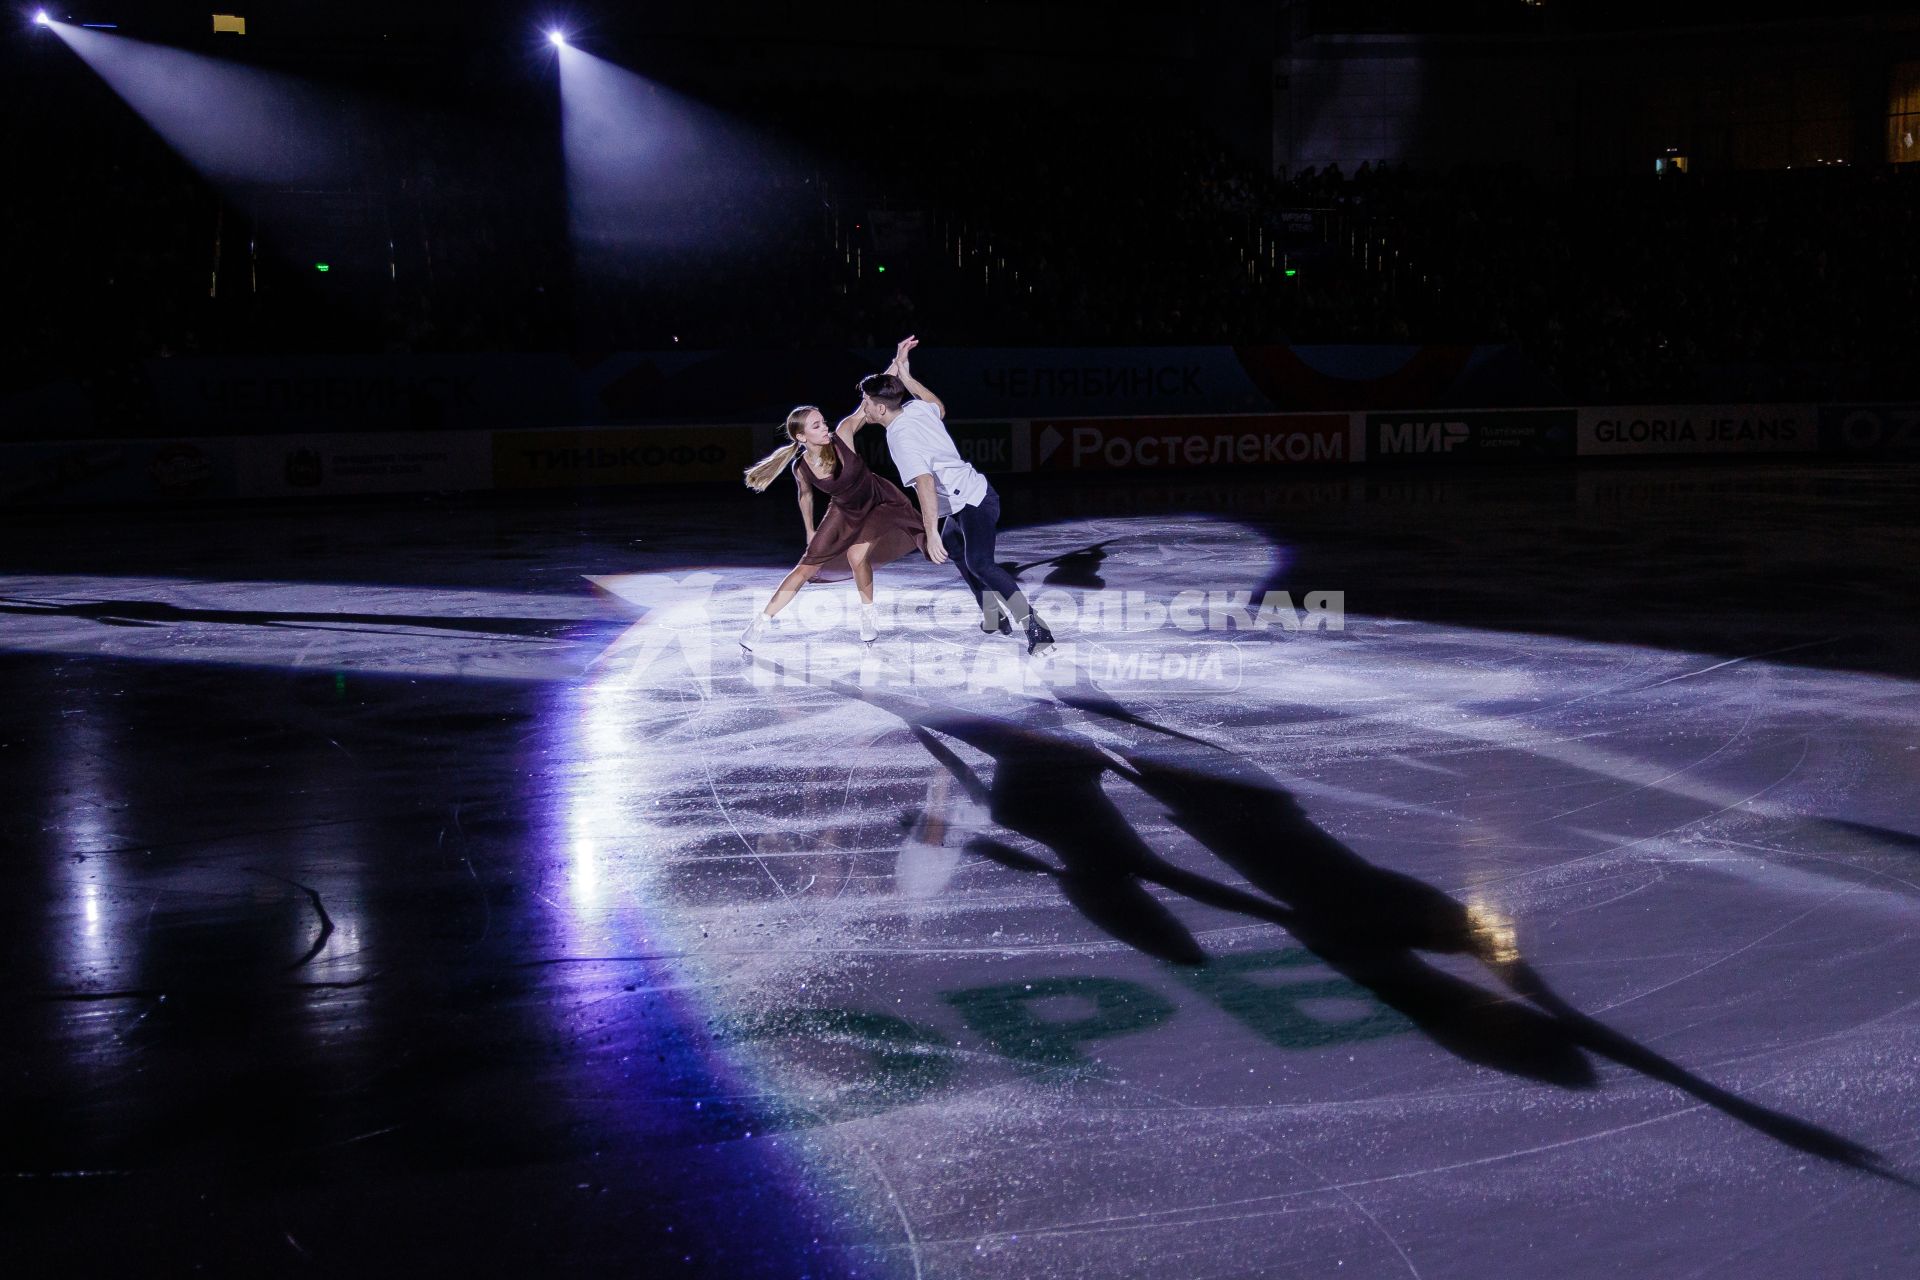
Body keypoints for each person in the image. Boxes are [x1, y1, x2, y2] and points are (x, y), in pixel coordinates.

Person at [859, 337, 1054, 654]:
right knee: (956, 545)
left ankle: (1035, 626)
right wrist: (906, 377)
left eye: (866, 402)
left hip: (974, 500)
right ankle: (993, 615)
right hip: (964, 498)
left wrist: (931, 532)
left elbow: (923, 483)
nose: (863, 407)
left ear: (880, 408)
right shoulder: (914, 409)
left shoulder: (900, 436)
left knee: (980, 563)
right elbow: (939, 406)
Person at [738, 381, 929, 651]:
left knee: (857, 556)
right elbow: (805, 496)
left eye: (823, 422)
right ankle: (760, 623)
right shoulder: (801, 467)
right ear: (801, 437)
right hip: (843, 511)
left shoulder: (844, 435)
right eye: (816, 426)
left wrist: (894, 368)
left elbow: (869, 402)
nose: (825, 427)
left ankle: (868, 614)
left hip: (879, 501)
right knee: (804, 568)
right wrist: (809, 530)